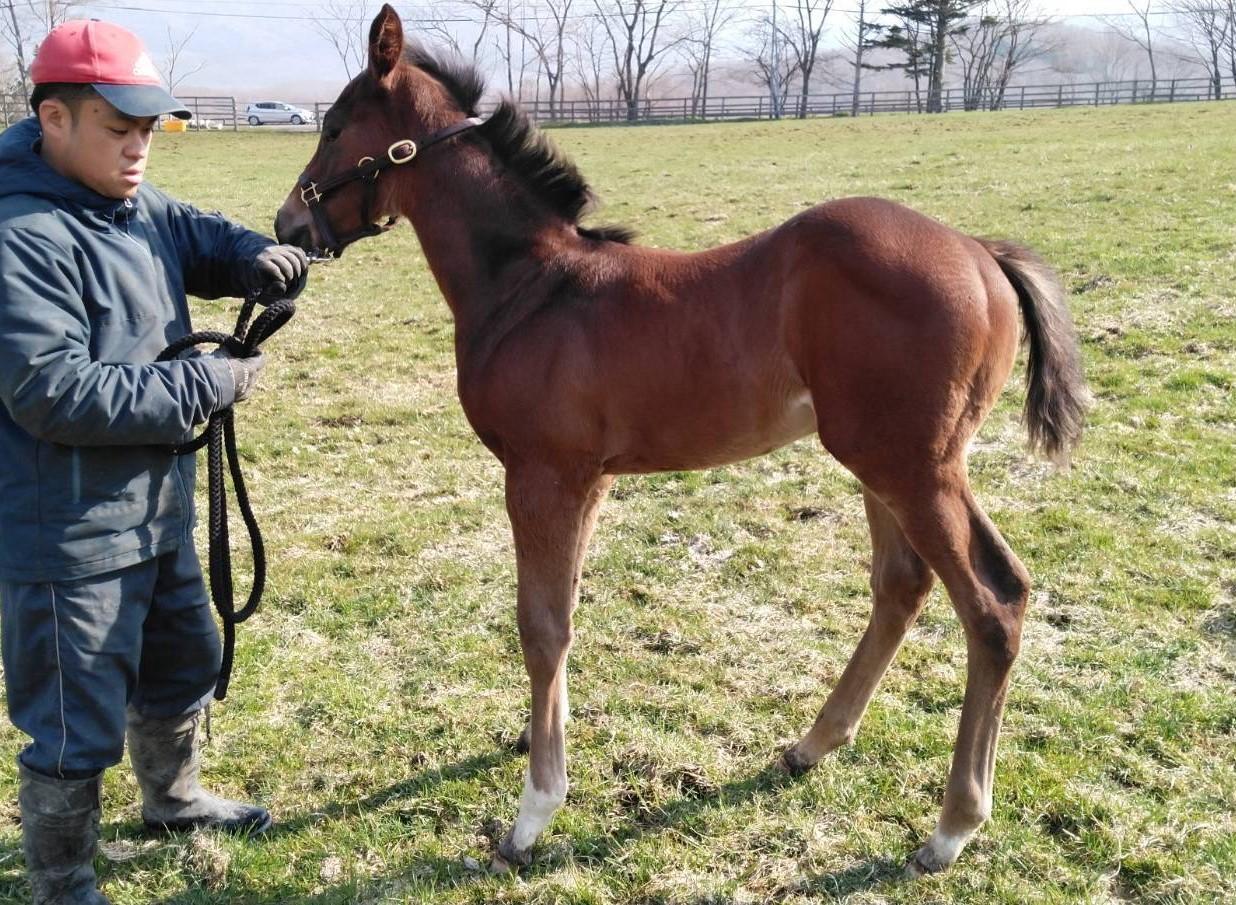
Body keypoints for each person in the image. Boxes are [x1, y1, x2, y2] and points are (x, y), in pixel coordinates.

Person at [0, 19, 309, 904]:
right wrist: (205, 387)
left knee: (183, 659)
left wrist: (257, 256)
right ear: (53, 118)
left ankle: (172, 798)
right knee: (72, 721)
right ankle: (62, 883)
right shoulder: (21, 236)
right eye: (118, 130)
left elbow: (195, 233)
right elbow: (52, 391)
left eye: (147, 131)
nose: (138, 150)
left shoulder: (125, 194)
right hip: (68, 530)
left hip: (157, 500)